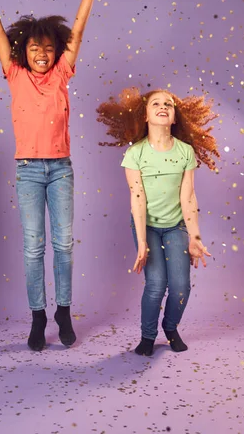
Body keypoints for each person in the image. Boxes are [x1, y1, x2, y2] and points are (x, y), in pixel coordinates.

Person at [0, 0, 112, 351]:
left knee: (63, 244)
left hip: (60, 169)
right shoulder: (14, 74)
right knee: (34, 246)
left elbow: (78, 32)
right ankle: (38, 317)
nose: (42, 54)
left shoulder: (63, 72)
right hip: (28, 169)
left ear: (56, 51)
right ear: (22, 52)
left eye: (48, 48)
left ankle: (63, 311)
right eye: (34, 49)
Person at [97, 87, 219, 356]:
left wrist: (195, 237)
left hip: (176, 226)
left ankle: (171, 327)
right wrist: (141, 242)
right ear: (145, 116)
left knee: (181, 286)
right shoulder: (135, 154)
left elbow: (188, 197)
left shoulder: (185, 152)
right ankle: (148, 336)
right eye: (156, 104)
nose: (163, 106)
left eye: (168, 104)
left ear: (175, 118)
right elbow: (137, 199)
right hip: (148, 227)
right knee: (155, 285)